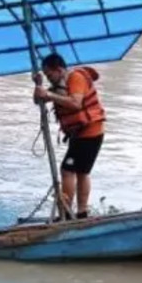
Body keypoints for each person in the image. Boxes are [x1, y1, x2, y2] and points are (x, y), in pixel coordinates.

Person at [32, 53, 105, 220]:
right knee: (81, 172)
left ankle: (65, 213)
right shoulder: (59, 85)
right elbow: (38, 100)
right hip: (82, 133)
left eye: (50, 75)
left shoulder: (75, 78)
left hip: (89, 132)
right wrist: (38, 85)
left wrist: (49, 95)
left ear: (59, 70)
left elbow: (75, 103)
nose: (50, 79)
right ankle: (81, 213)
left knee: (67, 171)